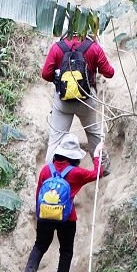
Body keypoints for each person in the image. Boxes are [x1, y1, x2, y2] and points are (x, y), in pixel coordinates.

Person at [18, 133, 104, 272]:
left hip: (44, 216)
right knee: (66, 250)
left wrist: (39, 215)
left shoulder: (46, 170)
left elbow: (38, 194)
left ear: (58, 153)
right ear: (74, 156)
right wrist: (98, 154)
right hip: (67, 218)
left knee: (39, 246)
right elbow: (98, 174)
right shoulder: (77, 173)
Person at [42, 33, 114, 171]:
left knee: (55, 140)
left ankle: (50, 173)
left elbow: (45, 74)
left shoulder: (57, 48)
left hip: (63, 102)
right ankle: (102, 168)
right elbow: (109, 73)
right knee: (93, 133)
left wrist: (61, 83)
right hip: (86, 100)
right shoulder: (93, 47)